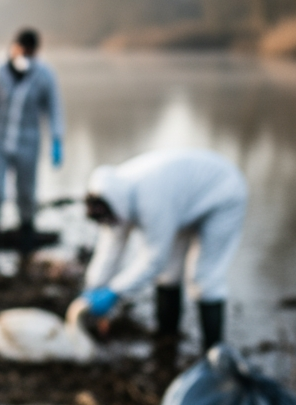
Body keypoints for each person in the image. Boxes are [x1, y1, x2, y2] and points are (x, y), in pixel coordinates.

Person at [80, 149, 248, 353]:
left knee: (205, 277)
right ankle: (167, 338)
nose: (111, 225)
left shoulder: (150, 200)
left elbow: (153, 260)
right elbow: (109, 250)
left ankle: (213, 353)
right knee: (169, 272)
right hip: (183, 202)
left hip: (222, 194)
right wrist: (92, 287)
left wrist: (115, 292)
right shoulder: (111, 198)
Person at [0, 28, 64, 260]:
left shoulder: (45, 74)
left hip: (29, 142)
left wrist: (57, 139)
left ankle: (26, 242)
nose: (26, 57)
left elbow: (55, 109)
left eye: (31, 53)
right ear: (13, 47)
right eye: (22, 51)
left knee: (26, 193)